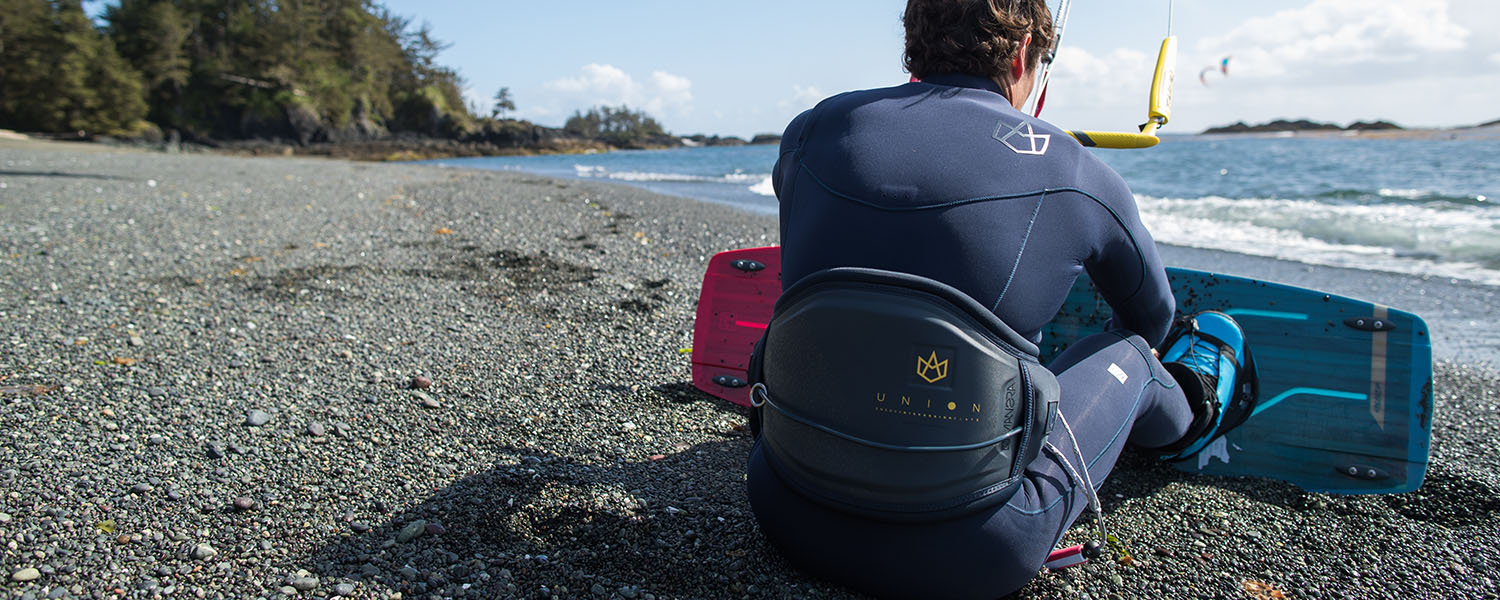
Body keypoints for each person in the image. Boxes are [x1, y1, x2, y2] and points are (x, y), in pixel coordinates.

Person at [745, 0, 1257, 597]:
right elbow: (1151, 318)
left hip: (785, 508)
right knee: (1135, 356)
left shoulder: (810, 130)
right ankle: (1192, 412)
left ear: (913, 43)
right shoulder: (1076, 169)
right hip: (973, 553)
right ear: (1022, 54)